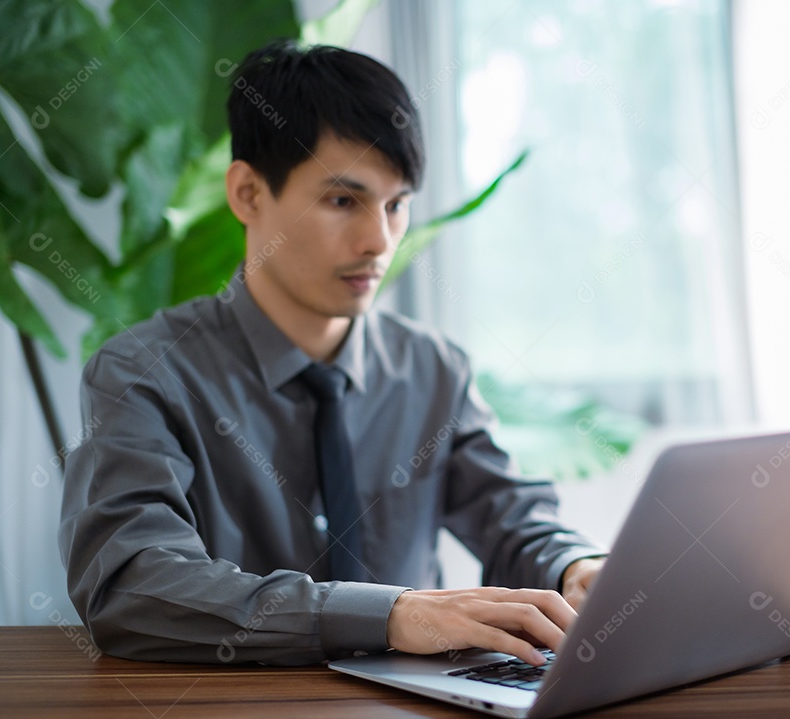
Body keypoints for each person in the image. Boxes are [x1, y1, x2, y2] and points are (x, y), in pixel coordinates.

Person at [59, 40, 606, 667]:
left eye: (396, 204)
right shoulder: (143, 374)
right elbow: (129, 586)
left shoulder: (435, 370)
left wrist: (574, 565)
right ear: (247, 194)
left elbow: (510, 517)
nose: (379, 240)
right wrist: (390, 615)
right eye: (343, 200)